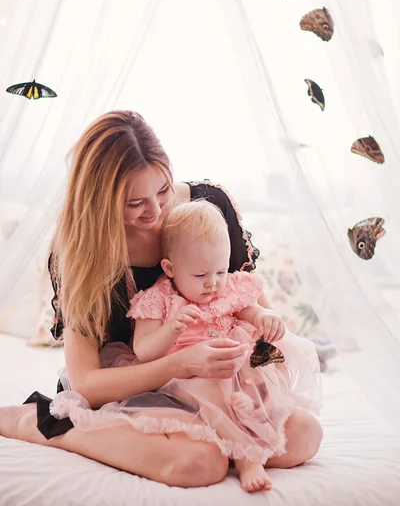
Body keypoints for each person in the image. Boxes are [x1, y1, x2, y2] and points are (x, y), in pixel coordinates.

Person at [0, 110, 323, 488]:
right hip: (133, 388)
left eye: (163, 190)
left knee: (303, 435)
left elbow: (250, 304)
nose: (155, 211)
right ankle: (46, 423)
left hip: (217, 383)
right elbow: (87, 381)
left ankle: (225, 434)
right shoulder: (82, 251)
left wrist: (247, 357)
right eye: (134, 203)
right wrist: (182, 364)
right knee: (201, 463)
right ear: (101, 200)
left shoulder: (208, 209)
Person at [50, 200, 321, 492]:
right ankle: (245, 455)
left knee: (304, 430)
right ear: (170, 267)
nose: (214, 284)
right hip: (188, 381)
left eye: (220, 271)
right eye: (201, 275)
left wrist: (266, 316)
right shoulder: (158, 299)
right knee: (209, 389)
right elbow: (144, 351)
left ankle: (240, 425)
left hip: (237, 373)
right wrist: (172, 329)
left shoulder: (228, 286)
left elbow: (249, 310)